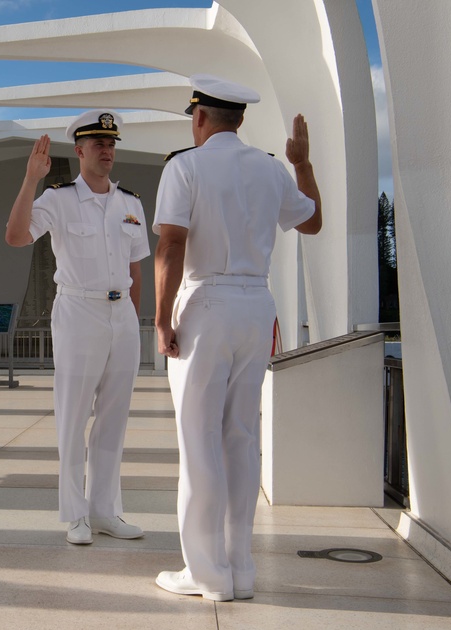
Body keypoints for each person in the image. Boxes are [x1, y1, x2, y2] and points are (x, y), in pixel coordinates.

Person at [152, 75, 323, 600]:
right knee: (241, 439)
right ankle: (240, 567)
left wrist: (161, 318)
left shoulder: (185, 166)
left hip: (207, 304)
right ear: (241, 119)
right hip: (257, 306)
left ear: (199, 117)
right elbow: (311, 222)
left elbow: (172, 246)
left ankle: (205, 574)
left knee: (198, 439)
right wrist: (301, 163)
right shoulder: (272, 169)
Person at [6, 109, 150, 545]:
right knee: (73, 416)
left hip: (121, 314)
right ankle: (75, 516)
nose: (107, 150)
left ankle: (105, 510)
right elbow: (15, 237)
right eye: (99, 144)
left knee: (113, 418)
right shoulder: (58, 198)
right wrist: (31, 179)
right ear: (81, 150)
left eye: (112, 144)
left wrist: (132, 323)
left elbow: (136, 270)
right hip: (78, 311)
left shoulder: (131, 204)